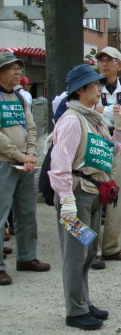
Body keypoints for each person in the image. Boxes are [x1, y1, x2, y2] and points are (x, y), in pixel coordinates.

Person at [49, 64, 121, 329]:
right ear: (80, 90)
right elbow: (59, 163)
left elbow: (109, 152)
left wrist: (120, 128)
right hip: (76, 195)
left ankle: (83, 302)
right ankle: (75, 310)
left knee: (87, 252)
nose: (99, 88)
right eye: (94, 84)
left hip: (93, 193)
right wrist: (66, 200)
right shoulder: (72, 120)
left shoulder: (92, 119)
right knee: (75, 253)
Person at [0, 52, 50, 286]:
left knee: (27, 212)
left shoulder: (20, 97)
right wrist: (21, 155)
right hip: (4, 162)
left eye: (19, 68)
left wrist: (30, 152)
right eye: (12, 68)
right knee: (1, 215)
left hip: (24, 162)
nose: (18, 72)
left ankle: (27, 257)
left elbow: (31, 127)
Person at [92, 47, 121, 270]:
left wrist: (105, 109)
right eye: (101, 60)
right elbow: (91, 112)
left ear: (119, 65)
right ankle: (92, 251)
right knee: (92, 201)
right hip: (96, 147)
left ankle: (110, 247)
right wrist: (118, 109)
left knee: (118, 200)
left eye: (110, 60)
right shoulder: (91, 86)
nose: (104, 64)